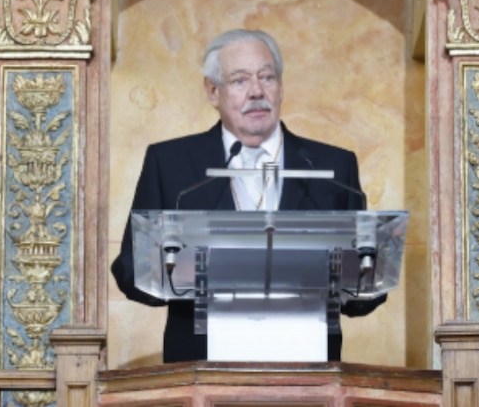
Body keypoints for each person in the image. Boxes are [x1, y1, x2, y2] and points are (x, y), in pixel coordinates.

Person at [110, 29, 386, 363]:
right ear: (213, 91)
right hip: (201, 369)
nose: (257, 91)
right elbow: (129, 269)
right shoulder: (172, 164)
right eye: (240, 81)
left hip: (309, 372)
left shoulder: (333, 167)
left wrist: (364, 277)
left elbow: (362, 293)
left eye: (267, 77)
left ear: (281, 87)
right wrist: (179, 272)